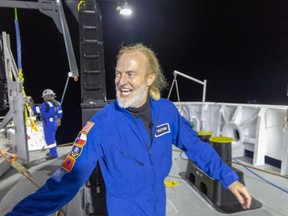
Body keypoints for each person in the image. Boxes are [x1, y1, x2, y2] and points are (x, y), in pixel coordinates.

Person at [6, 43, 251, 216]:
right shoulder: (100, 125)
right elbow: (68, 178)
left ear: (149, 78)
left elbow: (195, 146)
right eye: (118, 74)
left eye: (131, 74)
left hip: (158, 199)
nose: (121, 82)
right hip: (125, 207)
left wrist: (228, 178)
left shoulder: (166, 111)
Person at [27, 89, 63, 159]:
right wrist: (59, 119)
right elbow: (60, 112)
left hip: (48, 123)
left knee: (49, 138)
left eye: (44, 97)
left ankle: (53, 154)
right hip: (55, 122)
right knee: (52, 137)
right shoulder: (57, 103)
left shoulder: (45, 104)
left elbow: (36, 109)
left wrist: (30, 102)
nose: (44, 99)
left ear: (47, 97)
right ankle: (52, 151)